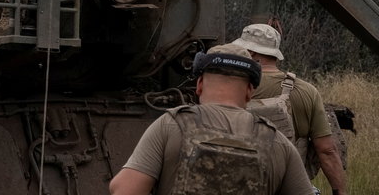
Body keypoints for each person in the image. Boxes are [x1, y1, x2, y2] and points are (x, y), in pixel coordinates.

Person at [108, 43, 313, 195]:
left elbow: (124, 190)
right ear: (250, 91)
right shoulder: (277, 142)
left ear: (199, 84)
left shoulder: (171, 125)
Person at [232, 23, 348, 195]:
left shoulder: (231, 87)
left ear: (252, 52)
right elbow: (327, 150)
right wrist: (340, 193)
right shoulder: (307, 91)